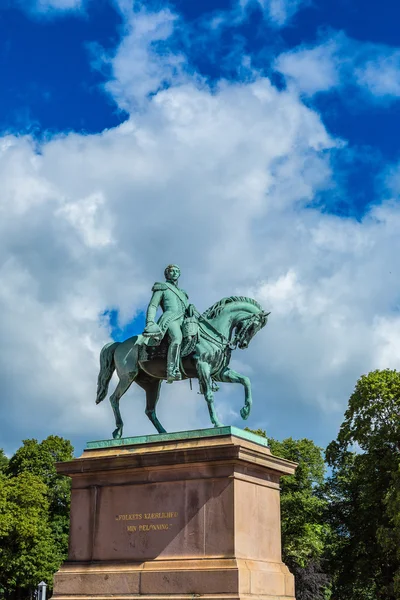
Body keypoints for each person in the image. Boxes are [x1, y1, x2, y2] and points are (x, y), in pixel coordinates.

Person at [143, 264, 189, 383]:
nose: (174, 273)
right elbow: (153, 306)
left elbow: (187, 310)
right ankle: (171, 370)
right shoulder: (162, 287)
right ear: (167, 274)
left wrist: (191, 308)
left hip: (183, 320)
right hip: (170, 319)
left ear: (179, 274)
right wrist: (150, 322)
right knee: (177, 338)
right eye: (171, 271)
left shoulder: (183, 293)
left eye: (176, 271)